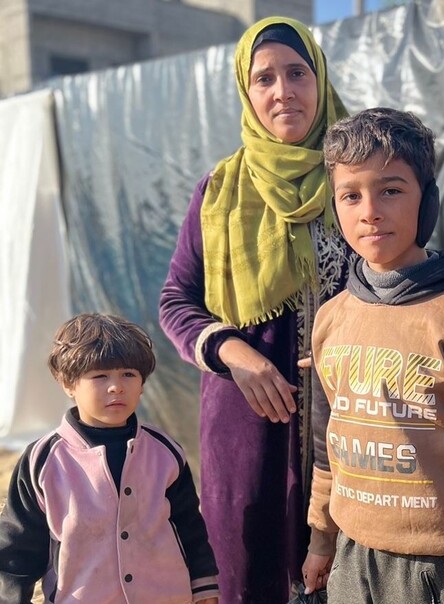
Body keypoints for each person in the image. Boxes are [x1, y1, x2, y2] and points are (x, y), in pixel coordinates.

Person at [301, 107, 444, 604]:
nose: (370, 210)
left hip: (439, 566)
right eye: (351, 195)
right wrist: (321, 537)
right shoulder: (332, 318)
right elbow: (327, 443)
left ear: (427, 200)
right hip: (351, 552)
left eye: (391, 189)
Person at [158, 16, 348, 603]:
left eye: (297, 73)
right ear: (247, 91)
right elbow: (176, 301)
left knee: (346, 571)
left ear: (319, 79)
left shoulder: (359, 178)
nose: (283, 91)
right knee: (252, 573)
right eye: (264, 78)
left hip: (350, 418)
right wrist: (233, 352)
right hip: (246, 424)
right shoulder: (219, 190)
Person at [0, 313, 218, 603]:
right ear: (68, 383)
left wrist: (204, 589)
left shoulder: (165, 452)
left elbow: (189, 527)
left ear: (142, 383)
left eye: (128, 374)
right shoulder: (44, 461)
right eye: (100, 376)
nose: (116, 386)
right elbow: (19, 548)